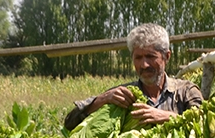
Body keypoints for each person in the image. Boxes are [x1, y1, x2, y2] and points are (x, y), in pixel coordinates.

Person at [64, 24, 204, 131]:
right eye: (138, 57)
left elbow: (205, 125)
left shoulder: (185, 91)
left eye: (150, 56)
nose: (144, 64)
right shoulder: (122, 95)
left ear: (166, 56)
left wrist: (167, 117)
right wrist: (102, 100)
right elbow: (70, 123)